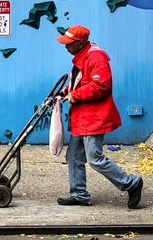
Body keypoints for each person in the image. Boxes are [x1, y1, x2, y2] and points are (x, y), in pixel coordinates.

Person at [56, 24, 143, 208]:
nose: (66, 47)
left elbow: (101, 86)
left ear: (80, 42)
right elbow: (79, 84)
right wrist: (64, 93)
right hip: (82, 117)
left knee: (94, 158)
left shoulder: (96, 57)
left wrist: (74, 95)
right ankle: (79, 194)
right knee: (73, 156)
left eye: (69, 43)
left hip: (93, 117)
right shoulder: (81, 57)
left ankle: (131, 183)